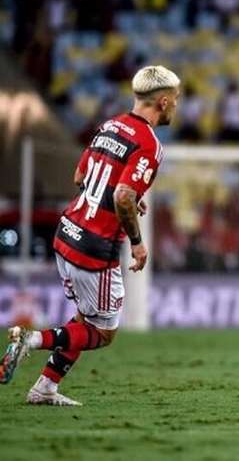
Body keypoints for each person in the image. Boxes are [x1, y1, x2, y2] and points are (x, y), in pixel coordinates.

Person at [0, 65, 180, 405]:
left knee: (84, 318)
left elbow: (80, 175)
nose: (177, 107)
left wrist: (121, 196)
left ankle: (45, 388)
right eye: (177, 101)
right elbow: (123, 196)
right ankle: (30, 340)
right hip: (94, 249)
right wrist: (139, 244)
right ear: (165, 102)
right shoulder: (149, 144)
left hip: (66, 232)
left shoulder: (109, 126)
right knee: (101, 333)